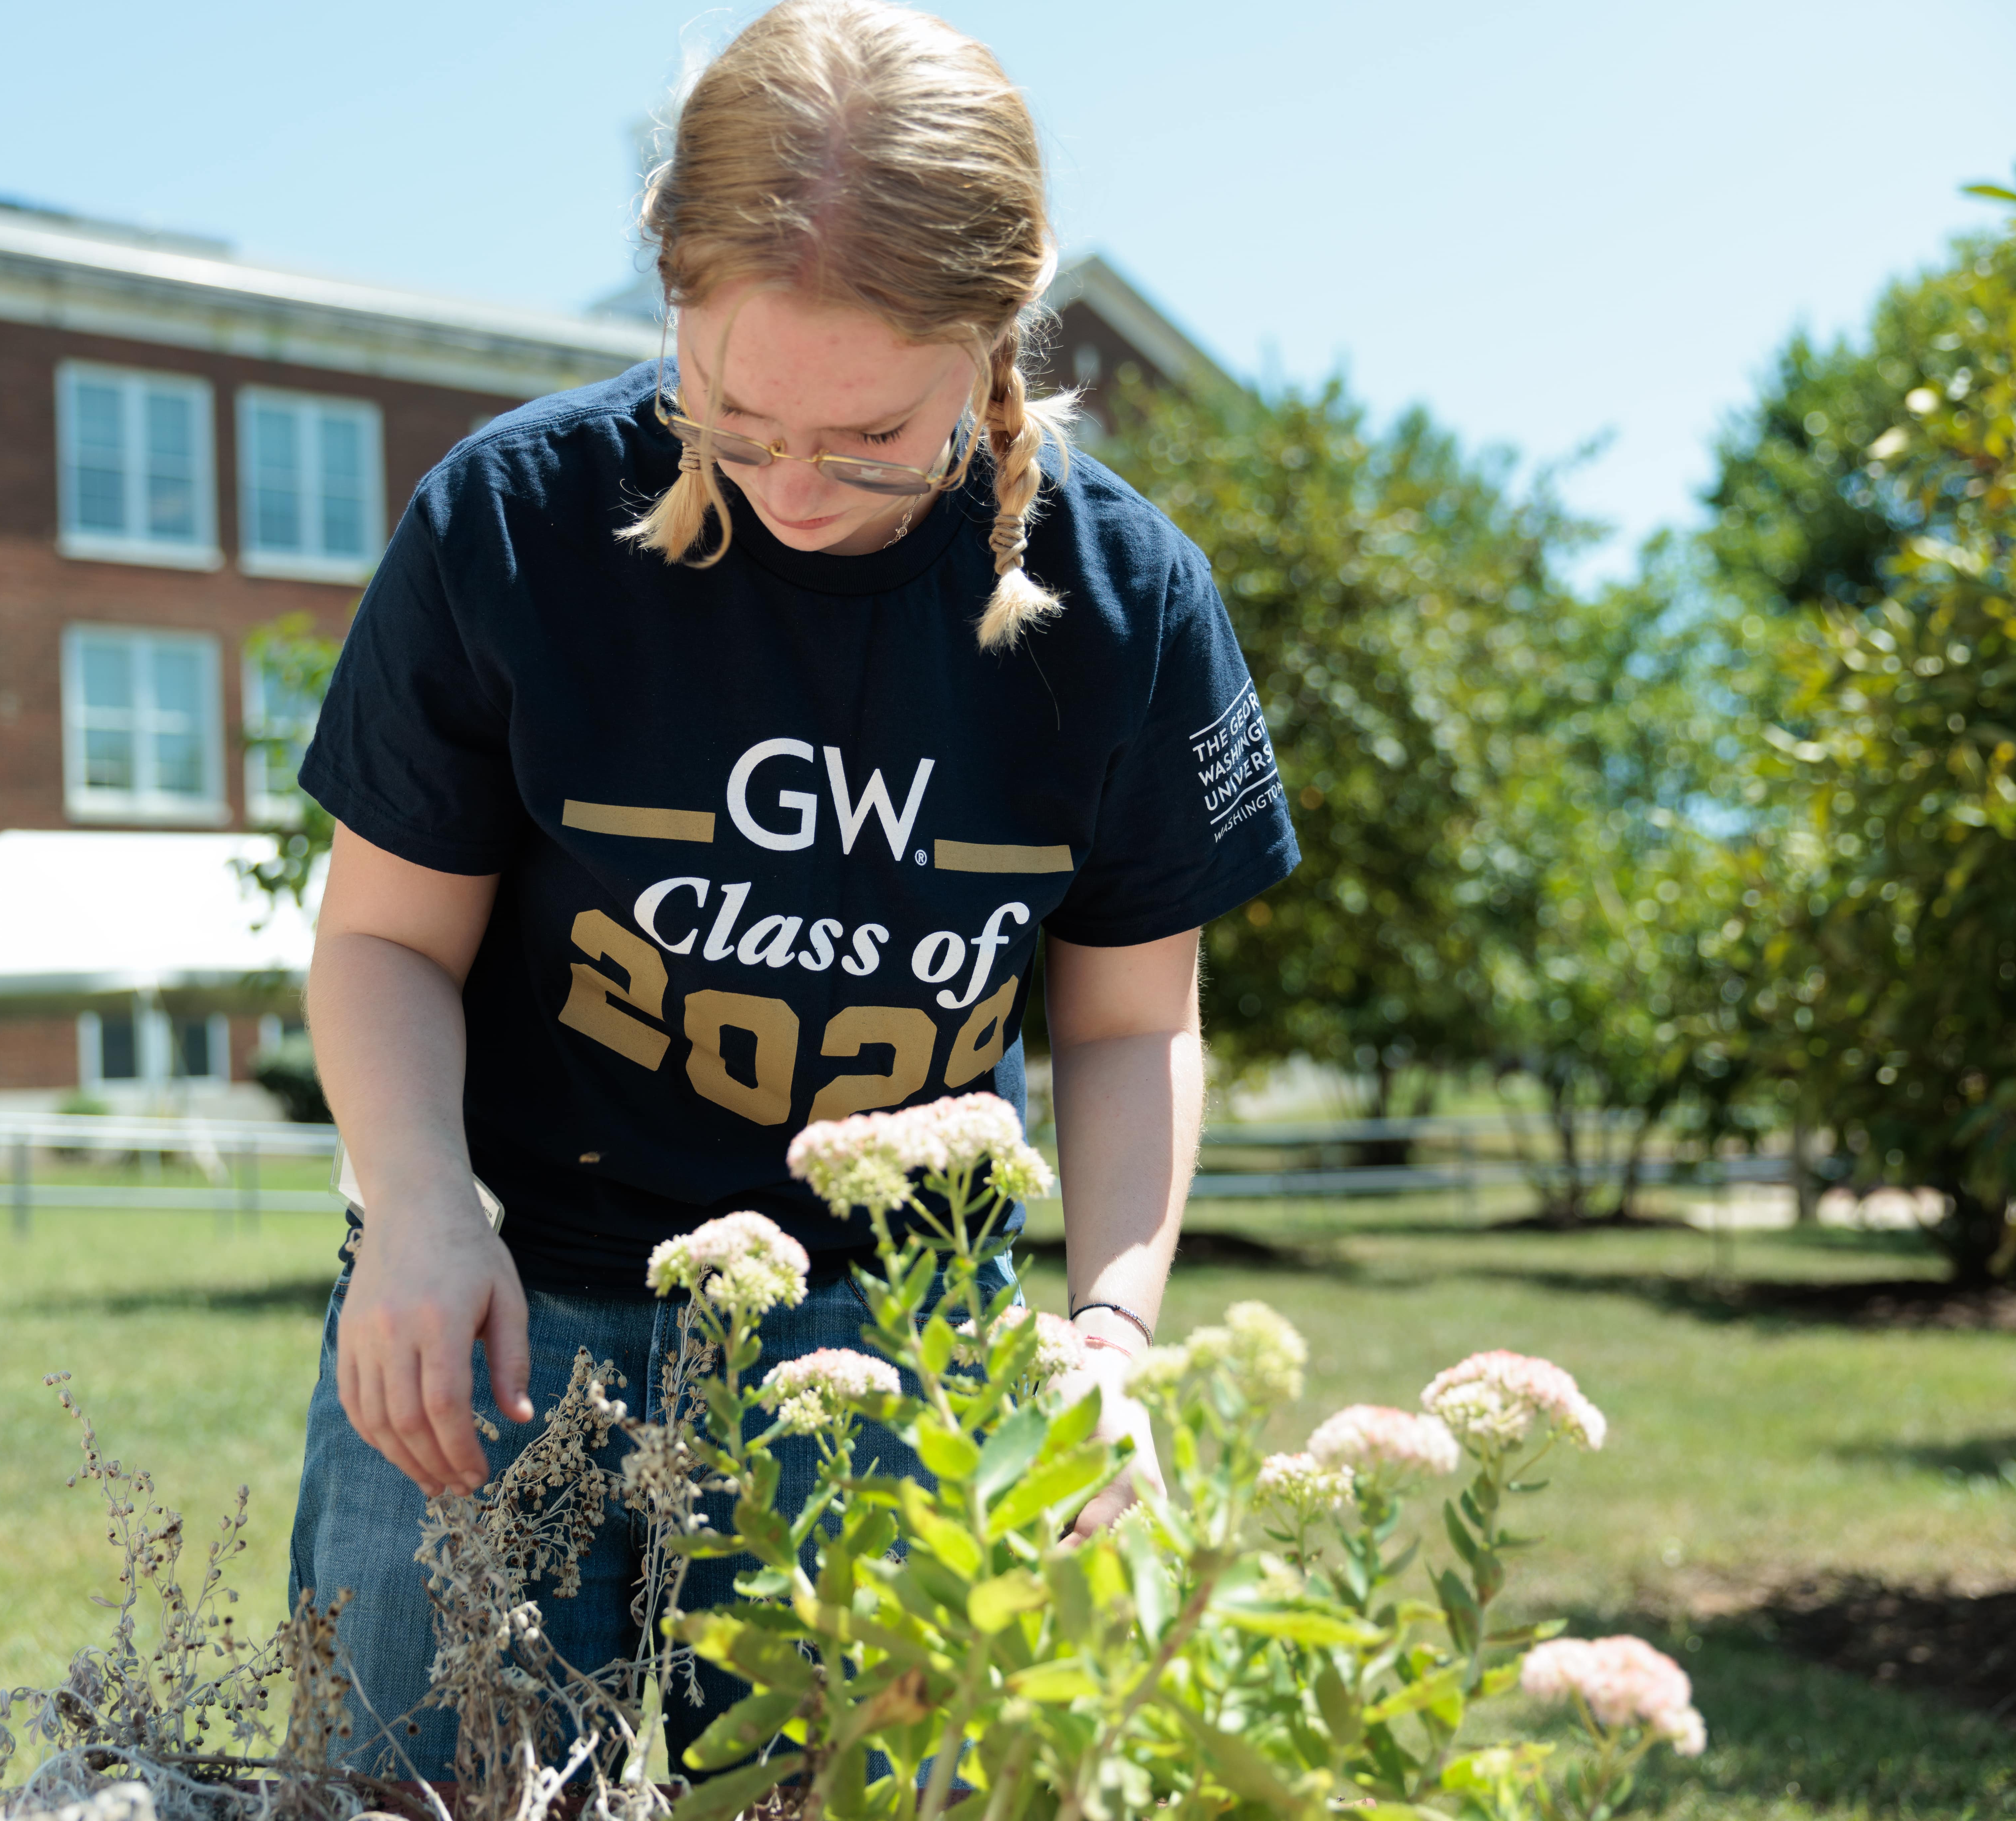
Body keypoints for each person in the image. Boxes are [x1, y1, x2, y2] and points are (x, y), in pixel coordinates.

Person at [287, 0, 1300, 1780]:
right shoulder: (510, 528)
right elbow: (380, 937)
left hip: (894, 1345)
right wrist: (423, 1209)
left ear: (1005, 330)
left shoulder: (1130, 602)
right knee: (400, 1793)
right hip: (501, 1301)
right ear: (668, 296)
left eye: (874, 441)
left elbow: (1136, 1020)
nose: (797, 493)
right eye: (736, 417)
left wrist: (1112, 1331)